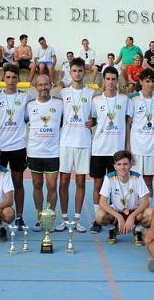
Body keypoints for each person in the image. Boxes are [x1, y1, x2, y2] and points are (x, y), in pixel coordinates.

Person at [90, 66, 132, 233]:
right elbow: (92, 120)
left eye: (114, 79)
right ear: (104, 80)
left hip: (117, 152)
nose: (111, 82)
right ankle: (97, 218)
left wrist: (128, 147)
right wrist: (89, 123)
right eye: (108, 79)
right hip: (99, 149)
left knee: (118, 186)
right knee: (98, 184)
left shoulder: (124, 100)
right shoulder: (96, 101)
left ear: (117, 81)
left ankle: (118, 217)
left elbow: (128, 123)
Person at [57, 57, 95, 233]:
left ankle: (77, 219)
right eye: (74, 70)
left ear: (84, 72)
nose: (77, 73)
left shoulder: (91, 94)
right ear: (70, 72)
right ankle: (64, 218)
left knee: (80, 181)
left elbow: (94, 117)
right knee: (63, 181)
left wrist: (92, 122)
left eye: (80, 70)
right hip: (65, 142)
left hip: (83, 142)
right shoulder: (63, 93)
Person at [0, 64, 30, 231]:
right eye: (8, 77)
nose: (11, 80)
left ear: (18, 80)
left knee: (18, 182)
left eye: (14, 77)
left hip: (18, 147)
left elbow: (28, 118)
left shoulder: (26, 97)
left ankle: (19, 217)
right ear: (3, 79)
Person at [26, 74, 63, 231]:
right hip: (34, 152)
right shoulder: (29, 106)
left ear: (51, 85)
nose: (43, 88)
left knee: (52, 186)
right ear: (35, 87)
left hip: (53, 152)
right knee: (37, 184)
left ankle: (50, 218)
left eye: (46, 84)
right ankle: (39, 216)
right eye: (40, 85)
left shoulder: (60, 104)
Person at [96, 150, 152, 245]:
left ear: (130, 165)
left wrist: (131, 216)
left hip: (134, 212)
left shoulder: (137, 177)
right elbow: (102, 202)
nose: (122, 167)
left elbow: (146, 202)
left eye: (125, 164)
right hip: (117, 212)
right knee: (99, 216)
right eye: (119, 164)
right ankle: (114, 228)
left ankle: (137, 229)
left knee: (151, 213)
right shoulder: (109, 178)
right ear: (114, 166)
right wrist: (118, 217)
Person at [128, 69, 154, 198]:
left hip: (152, 148)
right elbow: (127, 124)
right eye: (147, 81)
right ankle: (133, 214)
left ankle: (147, 213)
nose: (150, 84)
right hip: (136, 148)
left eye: (153, 81)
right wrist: (127, 147)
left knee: (148, 182)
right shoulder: (133, 99)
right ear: (141, 81)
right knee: (134, 183)